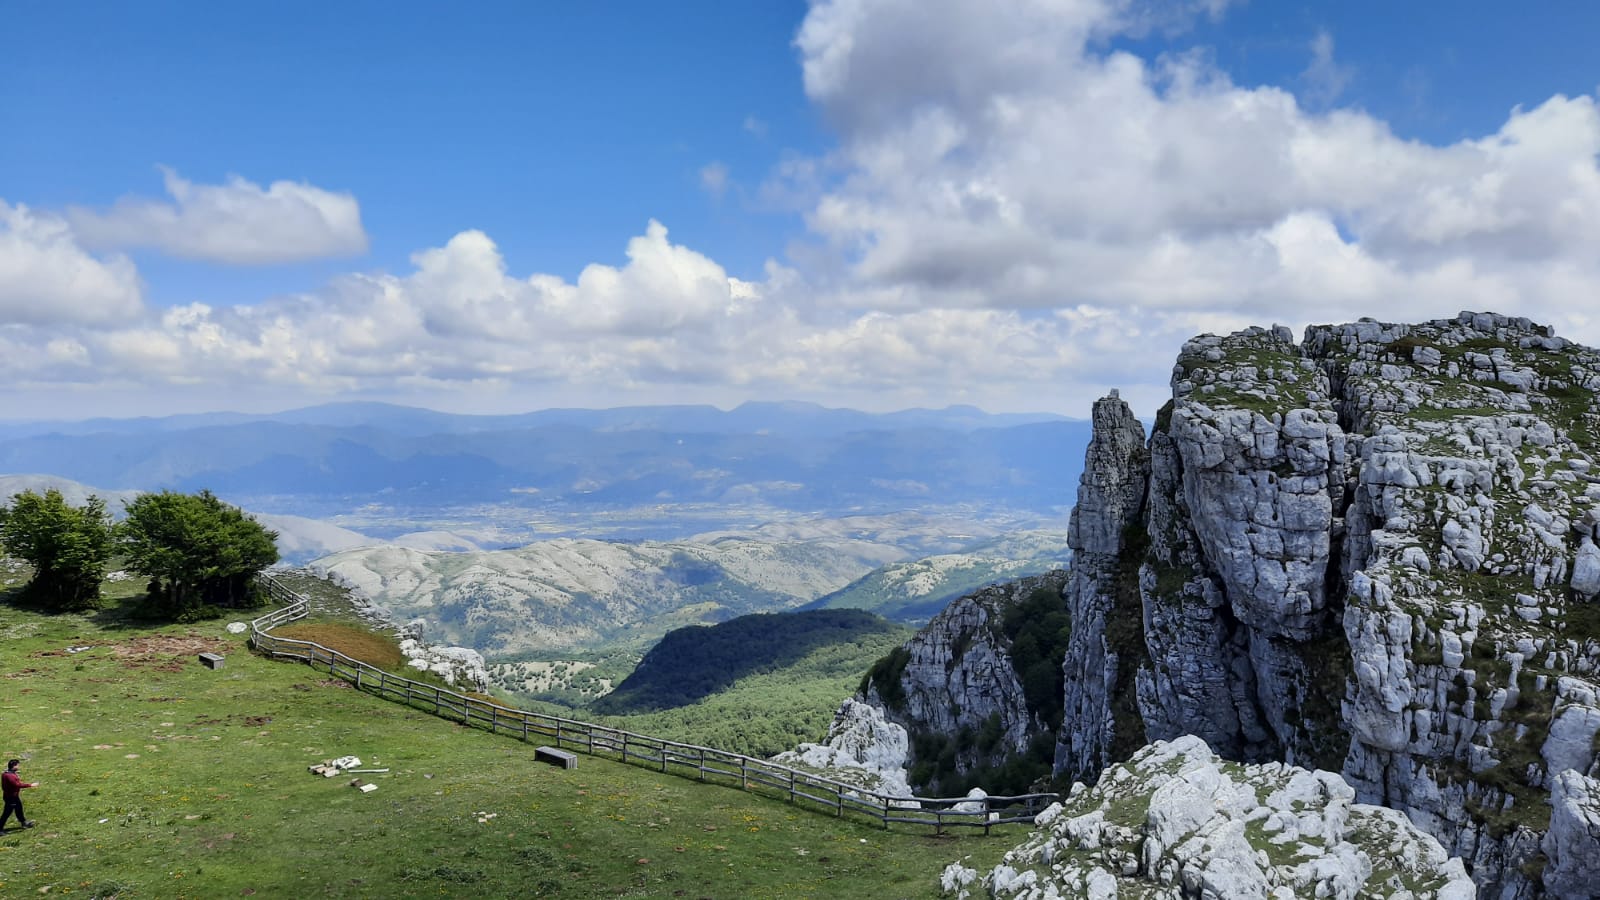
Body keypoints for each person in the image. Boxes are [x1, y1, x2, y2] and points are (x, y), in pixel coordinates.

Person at [1, 758, 37, 831]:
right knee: (7, 813)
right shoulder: (9, 776)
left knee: (19, 809)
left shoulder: (7, 773)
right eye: (17, 765)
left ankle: (24, 823)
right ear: (14, 766)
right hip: (11, 797)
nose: (18, 767)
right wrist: (31, 785)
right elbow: (17, 785)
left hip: (12, 796)